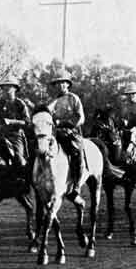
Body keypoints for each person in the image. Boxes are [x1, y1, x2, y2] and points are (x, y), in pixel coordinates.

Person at [47, 68, 85, 198]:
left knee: (77, 152)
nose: (60, 85)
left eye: (63, 82)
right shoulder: (53, 101)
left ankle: (77, 184)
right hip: (56, 133)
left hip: (72, 132)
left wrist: (69, 125)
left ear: (68, 84)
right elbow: (47, 117)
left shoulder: (74, 98)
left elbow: (81, 118)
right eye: (57, 83)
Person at [0, 75, 31, 168]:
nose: (6, 89)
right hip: (1, 135)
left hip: (16, 135)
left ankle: (22, 178)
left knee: (20, 160)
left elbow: (27, 122)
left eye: (9, 86)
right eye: (4, 87)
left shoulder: (20, 104)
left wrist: (12, 121)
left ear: (15, 88)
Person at [117, 82, 136, 149]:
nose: (131, 96)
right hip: (126, 130)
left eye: (133, 94)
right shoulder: (125, 106)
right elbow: (121, 120)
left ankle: (131, 148)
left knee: (134, 133)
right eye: (129, 94)